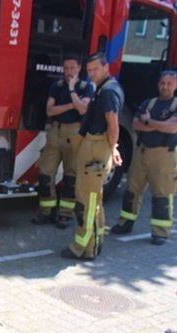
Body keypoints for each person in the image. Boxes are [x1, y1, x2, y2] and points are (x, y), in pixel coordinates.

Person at [61, 52, 124, 261]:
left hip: (96, 147)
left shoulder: (108, 92)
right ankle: (95, 243)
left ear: (106, 67)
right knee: (94, 200)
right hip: (95, 145)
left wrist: (112, 148)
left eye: (95, 69)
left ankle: (82, 248)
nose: (92, 73)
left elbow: (113, 126)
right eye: (89, 70)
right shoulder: (104, 89)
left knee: (86, 203)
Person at [110, 70, 177, 246]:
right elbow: (135, 124)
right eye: (162, 83)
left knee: (162, 194)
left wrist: (149, 122)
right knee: (132, 190)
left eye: (169, 84)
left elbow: (173, 128)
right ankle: (125, 223)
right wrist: (161, 124)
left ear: (176, 85)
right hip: (142, 152)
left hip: (165, 155)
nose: (165, 87)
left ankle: (160, 232)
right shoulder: (149, 103)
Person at [33, 55, 93, 229]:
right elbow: (49, 110)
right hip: (55, 132)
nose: (68, 72)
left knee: (71, 177)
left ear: (79, 68)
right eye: (66, 68)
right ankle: (47, 211)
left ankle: (65, 214)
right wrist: (70, 105)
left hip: (74, 133)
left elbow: (82, 109)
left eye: (72, 68)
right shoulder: (57, 86)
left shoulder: (86, 87)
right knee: (45, 174)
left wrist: (72, 90)